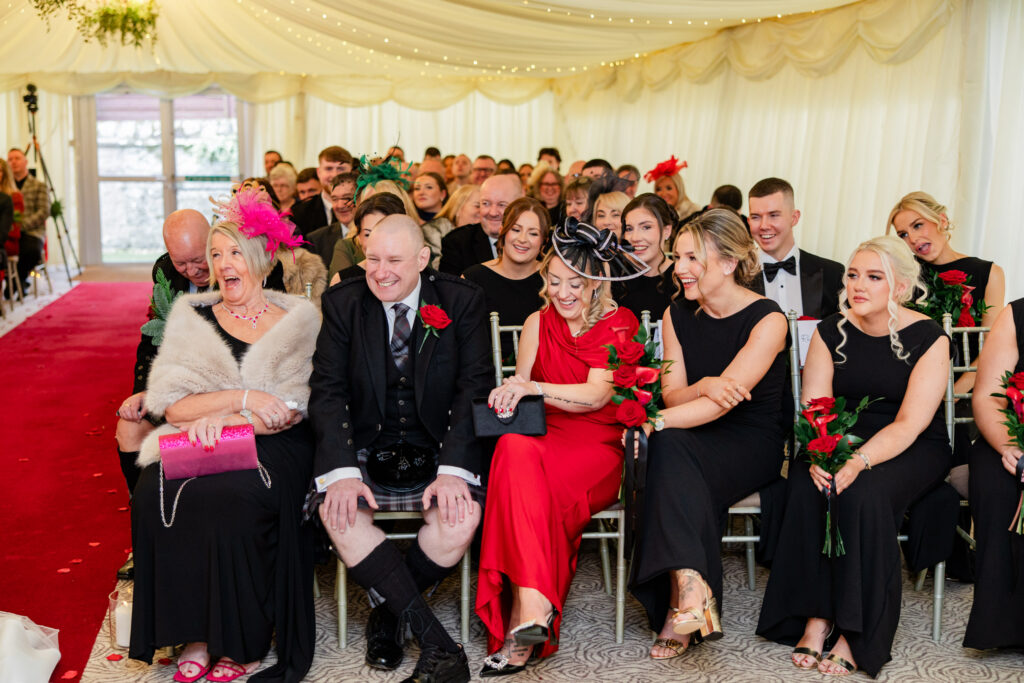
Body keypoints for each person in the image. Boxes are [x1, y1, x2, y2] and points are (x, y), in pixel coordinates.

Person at [129, 185, 318, 683]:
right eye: (216, 254)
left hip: (275, 446)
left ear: (259, 257)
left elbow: (290, 410)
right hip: (203, 433)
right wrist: (236, 400)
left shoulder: (298, 318)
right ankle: (194, 633)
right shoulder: (195, 315)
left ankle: (241, 642)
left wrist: (234, 418)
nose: (223, 262)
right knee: (154, 491)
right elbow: (171, 401)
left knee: (232, 496)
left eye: (235, 251)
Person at [757, 236, 952, 677]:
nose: (857, 285)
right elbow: (815, 407)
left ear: (899, 288)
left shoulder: (930, 338)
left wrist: (859, 460)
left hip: (912, 444)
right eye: (852, 274)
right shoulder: (830, 330)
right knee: (809, 484)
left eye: (873, 277)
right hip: (839, 435)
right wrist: (824, 453)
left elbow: (910, 423)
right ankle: (816, 615)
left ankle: (855, 629)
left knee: (862, 491)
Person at [308, 215, 492, 682]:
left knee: (459, 518)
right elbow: (327, 392)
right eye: (372, 259)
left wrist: (453, 470)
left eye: (394, 260)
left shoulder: (460, 299)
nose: (380, 271)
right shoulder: (343, 303)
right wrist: (343, 472)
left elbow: (473, 389)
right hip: (367, 441)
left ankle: (389, 613)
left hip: (438, 443)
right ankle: (439, 644)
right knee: (339, 512)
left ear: (423, 259)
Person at [476, 220, 646, 677]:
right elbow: (525, 394)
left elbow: (594, 397)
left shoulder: (619, 323)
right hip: (543, 436)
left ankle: (523, 617)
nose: (563, 292)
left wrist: (527, 387)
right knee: (512, 446)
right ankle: (534, 608)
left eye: (576, 283)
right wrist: (512, 393)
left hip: (599, 444)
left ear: (597, 285)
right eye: (554, 281)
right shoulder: (536, 322)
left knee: (522, 486)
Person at [629, 209, 788, 661]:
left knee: (665, 443)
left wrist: (653, 422)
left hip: (748, 441)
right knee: (673, 446)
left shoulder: (768, 318)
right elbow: (675, 395)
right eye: (677, 256)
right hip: (692, 434)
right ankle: (692, 590)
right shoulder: (676, 314)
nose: (679, 268)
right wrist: (698, 386)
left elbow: (723, 403)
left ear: (728, 262)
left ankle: (682, 603)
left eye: (692, 258)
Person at [963, 299, 1024, 650]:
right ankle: (1003, 627)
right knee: (1000, 488)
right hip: (1010, 436)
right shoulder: (1015, 315)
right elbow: (987, 396)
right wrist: (1010, 448)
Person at [462, 197, 549, 361]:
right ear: (503, 231)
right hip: (485, 377)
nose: (522, 239)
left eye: (533, 233)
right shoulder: (473, 279)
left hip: (543, 379)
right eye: (516, 229)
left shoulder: (554, 279)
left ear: (543, 242)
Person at [747, 177, 844, 319]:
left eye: (773, 215)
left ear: (794, 218)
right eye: (756, 217)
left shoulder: (832, 274)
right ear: (748, 221)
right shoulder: (736, 275)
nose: (764, 225)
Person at [439, 174, 523, 276]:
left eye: (502, 205)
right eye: (485, 203)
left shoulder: (534, 244)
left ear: (519, 206)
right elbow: (450, 289)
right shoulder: (457, 243)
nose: (493, 213)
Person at [612, 194, 677, 321]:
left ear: (667, 231)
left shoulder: (681, 277)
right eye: (629, 229)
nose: (635, 237)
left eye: (646, 227)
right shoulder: (614, 272)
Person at [327, 192, 406, 282]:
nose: (375, 243)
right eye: (368, 235)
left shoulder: (419, 276)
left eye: (385, 233)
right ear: (358, 237)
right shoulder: (343, 281)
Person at [7, 148, 49, 289]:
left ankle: (15, 284)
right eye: (10, 159)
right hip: (9, 231)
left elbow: (44, 211)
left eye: (17, 158)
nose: (13, 162)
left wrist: (22, 225)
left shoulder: (39, 185)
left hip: (32, 232)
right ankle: (17, 284)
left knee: (30, 250)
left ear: (26, 162)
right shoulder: (5, 188)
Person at [289, 146, 353, 236]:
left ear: (351, 171)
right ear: (319, 172)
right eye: (329, 169)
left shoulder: (363, 208)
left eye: (341, 169)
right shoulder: (299, 213)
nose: (335, 175)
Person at [422, 184, 481, 270]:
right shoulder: (433, 231)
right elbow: (436, 272)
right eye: (477, 206)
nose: (483, 211)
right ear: (458, 208)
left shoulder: (482, 236)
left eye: (485, 205)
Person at [644, 156, 699, 224]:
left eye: (669, 188)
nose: (663, 193)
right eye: (659, 189)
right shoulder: (653, 214)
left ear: (679, 189)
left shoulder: (694, 214)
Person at [527, 162, 563, 229]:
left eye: (554, 184)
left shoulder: (566, 210)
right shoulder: (532, 208)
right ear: (539, 187)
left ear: (561, 186)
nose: (550, 188)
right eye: (546, 184)